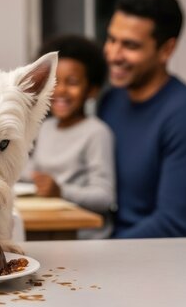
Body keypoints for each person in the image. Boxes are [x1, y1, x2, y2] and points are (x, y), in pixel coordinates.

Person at [98, 0, 186, 238]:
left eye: (130, 45)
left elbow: (173, 225)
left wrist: (99, 253)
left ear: (166, 50)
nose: (113, 54)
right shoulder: (111, 101)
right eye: (112, 39)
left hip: (176, 264)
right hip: (121, 250)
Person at [24, 35, 115, 239]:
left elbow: (104, 197)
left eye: (72, 82)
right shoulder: (45, 128)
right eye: (54, 82)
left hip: (82, 235)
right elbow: (33, 171)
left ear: (91, 90)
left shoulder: (97, 132)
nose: (61, 90)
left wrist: (60, 190)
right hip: (50, 226)